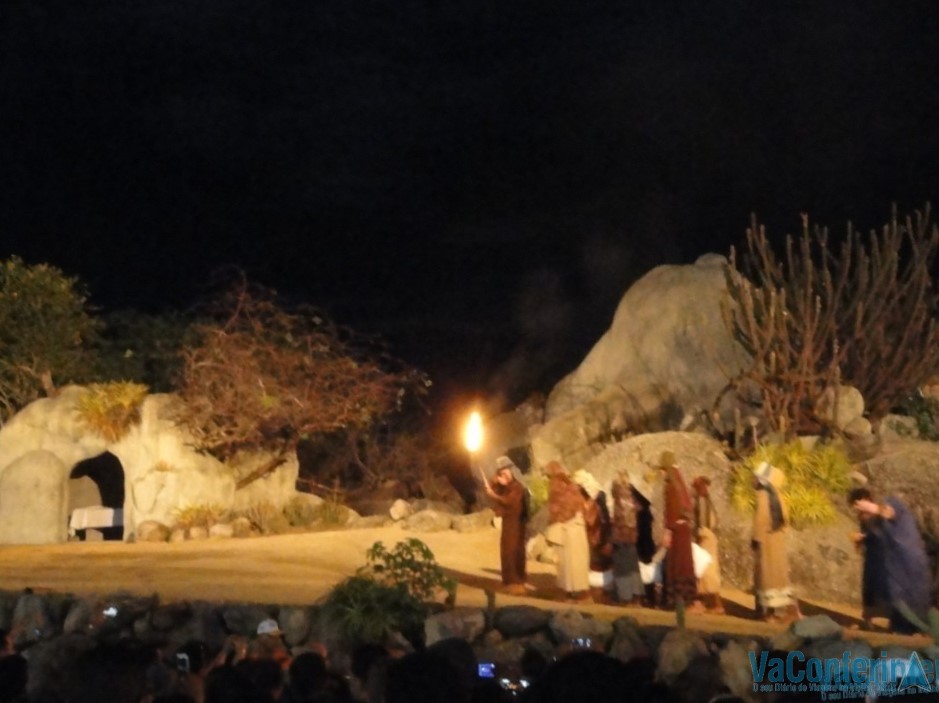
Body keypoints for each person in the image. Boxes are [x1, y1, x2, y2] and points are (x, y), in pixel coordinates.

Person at [849, 486, 931, 634]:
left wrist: (874, 508)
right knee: (896, 610)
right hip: (889, 575)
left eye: (862, 508)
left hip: (909, 568)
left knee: (912, 607)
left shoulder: (893, 505)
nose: (861, 514)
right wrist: (862, 539)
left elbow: (890, 513)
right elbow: (874, 544)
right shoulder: (868, 523)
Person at [752, 461, 798, 622]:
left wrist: (757, 537)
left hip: (766, 538)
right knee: (777, 574)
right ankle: (773, 610)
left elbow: (762, 517)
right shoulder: (777, 494)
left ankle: (768, 613)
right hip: (777, 537)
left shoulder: (763, 494)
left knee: (767, 574)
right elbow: (785, 517)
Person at [658, 451, 702, 612]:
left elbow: (672, 510)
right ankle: (684, 600)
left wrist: (668, 530)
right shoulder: (679, 482)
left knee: (678, 566)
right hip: (682, 530)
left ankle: (680, 601)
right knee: (683, 564)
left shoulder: (672, 485)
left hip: (677, 531)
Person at [544, 461, 591, 601]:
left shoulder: (555, 485)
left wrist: (552, 527)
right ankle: (581, 593)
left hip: (566, 529)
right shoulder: (571, 484)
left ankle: (569, 593)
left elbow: (555, 508)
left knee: (566, 564)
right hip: (577, 526)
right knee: (578, 563)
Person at [484, 455, 529, 595]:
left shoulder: (518, 487)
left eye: (505, 473)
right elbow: (495, 489)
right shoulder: (507, 486)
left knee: (513, 551)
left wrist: (493, 495)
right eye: (501, 473)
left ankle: (516, 582)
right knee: (506, 551)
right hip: (508, 523)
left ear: (511, 471)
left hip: (516, 524)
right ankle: (509, 581)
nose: (503, 475)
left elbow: (510, 502)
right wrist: (495, 481)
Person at [573, 469, 614, 602]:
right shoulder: (595, 494)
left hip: (596, 534)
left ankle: (598, 592)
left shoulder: (595, 497)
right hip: (595, 533)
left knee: (596, 562)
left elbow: (592, 517)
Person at [608, 471, 644, 606]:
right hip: (632, 536)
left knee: (622, 569)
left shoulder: (618, 498)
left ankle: (625, 597)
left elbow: (619, 519)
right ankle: (637, 598)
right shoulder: (632, 497)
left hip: (621, 537)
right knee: (633, 568)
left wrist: (613, 536)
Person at [691, 475, 724, 614]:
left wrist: (697, 534)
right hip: (709, 537)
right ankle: (706, 603)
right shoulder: (706, 499)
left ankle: (716, 605)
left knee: (707, 572)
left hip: (706, 538)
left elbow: (703, 523)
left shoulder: (702, 500)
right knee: (706, 572)